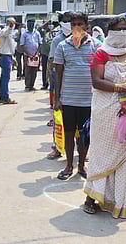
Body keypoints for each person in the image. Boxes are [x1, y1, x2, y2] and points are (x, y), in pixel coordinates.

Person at [84, 17, 126, 218]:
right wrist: (123, 88)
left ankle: (123, 201)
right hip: (107, 112)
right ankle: (92, 197)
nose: (122, 33)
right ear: (110, 32)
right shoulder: (101, 53)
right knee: (102, 153)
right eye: (118, 29)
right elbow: (97, 81)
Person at [53, 12, 100, 181]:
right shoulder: (63, 46)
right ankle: (68, 165)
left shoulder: (96, 45)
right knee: (69, 134)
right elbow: (58, 73)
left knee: (84, 135)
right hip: (69, 100)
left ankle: (81, 165)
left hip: (89, 100)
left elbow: (102, 70)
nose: (77, 27)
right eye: (74, 24)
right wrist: (57, 99)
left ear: (87, 25)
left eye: (80, 24)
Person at [47, 12, 72, 160]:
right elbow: (52, 62)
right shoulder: (58, 40)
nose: (70, 24)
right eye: (67, 21)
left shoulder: (83, 40)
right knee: (59, 118)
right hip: (61, 84)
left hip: (78, 88)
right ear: (62, 23)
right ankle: (57, 148)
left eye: (72, 21)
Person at [0, 17, 18, 104]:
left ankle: (2, 96)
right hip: (5, 57)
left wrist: (13, 58)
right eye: (13, 24)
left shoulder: (11, 32)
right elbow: (7, 32)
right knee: (5, 78)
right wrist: (10, 27)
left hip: (7, 56)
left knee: (4, 77)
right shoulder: (4, 31)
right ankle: (5, 97)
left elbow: (10, 46)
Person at [20, 20, 42, 92]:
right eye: (29, 24)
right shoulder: (24, 34)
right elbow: (22, 45)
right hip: (27, 55)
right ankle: (27, 86)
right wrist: (28, 54)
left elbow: (40, 43)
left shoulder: (37, 33)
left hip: (35, 55)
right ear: (27, 25)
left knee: (34, 71)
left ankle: (32, 85)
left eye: (32, 24)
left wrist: (37, 53)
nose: (31, 25)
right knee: (28, 70)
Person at [39, 23, 52, 90]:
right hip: (44, 53)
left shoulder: (54, 32)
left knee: (52, 70)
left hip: (52, 53)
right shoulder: (44, 32)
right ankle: (45, 84)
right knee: (44, 70)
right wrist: (46, 23)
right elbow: (38, 29)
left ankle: (52, 84)